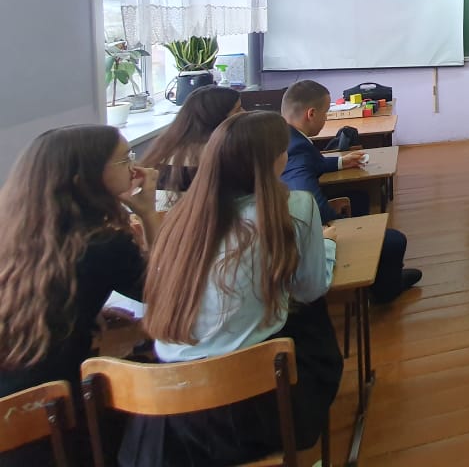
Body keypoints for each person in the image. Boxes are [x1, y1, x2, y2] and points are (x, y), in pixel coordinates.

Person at [121, 111, 341, 465]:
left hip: (167, 417)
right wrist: (327, 247)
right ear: (273, 160)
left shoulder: (180, 217)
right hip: (251, 407)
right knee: (311, 319)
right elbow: (311, 289)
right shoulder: (294, 206)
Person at [0, 126, 159, 465]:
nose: (135, 168)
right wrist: (148, 213)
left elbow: (37, 292)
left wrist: (83, 312)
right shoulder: (103, 243)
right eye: (125, 160)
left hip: (11, 417)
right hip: (54, 424)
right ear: (84, 180)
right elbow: (167, 293)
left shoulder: (14, 231)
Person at [280, 80, 421, 302]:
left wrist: (340, 162)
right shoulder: (297, 149)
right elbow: (307, 199)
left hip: (291, 216)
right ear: (311, 114)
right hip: (308, 230)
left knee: (359, 198)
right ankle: (386, 290)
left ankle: (372, 266)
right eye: (325, 114)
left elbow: (314, 163)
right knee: (395, 240)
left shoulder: (287, 135)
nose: (326, 119)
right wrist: (334, 220)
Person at [140, 84, 242, 208]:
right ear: (217, 117)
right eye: (238, 110)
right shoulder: (221, 152)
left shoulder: (163, 147)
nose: (245, 112)